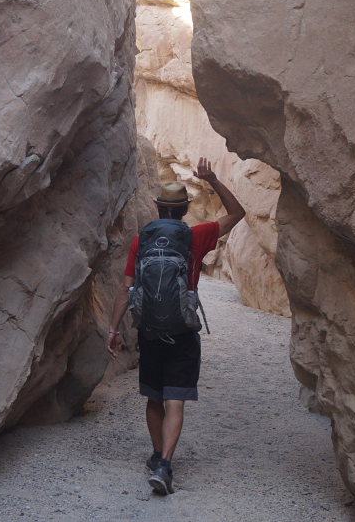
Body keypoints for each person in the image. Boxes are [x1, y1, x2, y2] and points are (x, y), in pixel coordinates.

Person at [106, 156, 245, 495]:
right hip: (183, 331)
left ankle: (156, 455)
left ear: (157, 209)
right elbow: (237, 213)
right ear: (184, 210)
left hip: (150, 331)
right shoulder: (196, 236)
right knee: (175, 400)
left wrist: (113, 329)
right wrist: (211, 178)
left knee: (154, 397)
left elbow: (127, 288)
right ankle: (166, 464)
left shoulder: (141, 241)